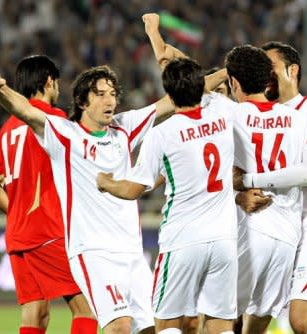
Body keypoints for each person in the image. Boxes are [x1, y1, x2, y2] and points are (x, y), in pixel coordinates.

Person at [0, 65, 177, 334]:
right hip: (66, 238)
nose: (110, 101)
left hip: (24, 233)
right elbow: (24, 110)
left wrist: (220, 77)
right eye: (100, 94)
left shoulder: (8, 130)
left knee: (34, 315)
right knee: (95, 314)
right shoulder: (62, 129)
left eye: (112, 94)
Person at [96, 57, 238, 334]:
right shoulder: (222, 111)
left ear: (169, 94)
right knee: (221, 326)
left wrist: (105, 182)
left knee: (167, 324)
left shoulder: (162, 134)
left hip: (183, 240)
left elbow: (132, 189)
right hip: (224, 240)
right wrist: (226, 71)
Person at [0, 55, 97, 334]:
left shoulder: (8, 128)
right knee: (89, 308)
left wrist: (17, 212)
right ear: (49, 82)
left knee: (36, 314)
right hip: (48, 229)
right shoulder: (53, 119)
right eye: (56, 83)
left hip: (18, 234)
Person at [237, 41, 307, 334]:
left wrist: (248, 181)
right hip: (273, 223)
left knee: (300, 320)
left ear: (293, 70)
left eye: (271, 68)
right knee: (250, 318)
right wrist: (239, 195)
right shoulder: (252, 116)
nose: (265, 74)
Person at [223, 45, 307, 334]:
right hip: (287, 237)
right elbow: (303, 172)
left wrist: (240, 188)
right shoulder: (298, 119)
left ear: (234, 83)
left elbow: (215, 174)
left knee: (217, 318)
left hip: (249, 229)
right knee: (258, 322)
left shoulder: (231, 116)